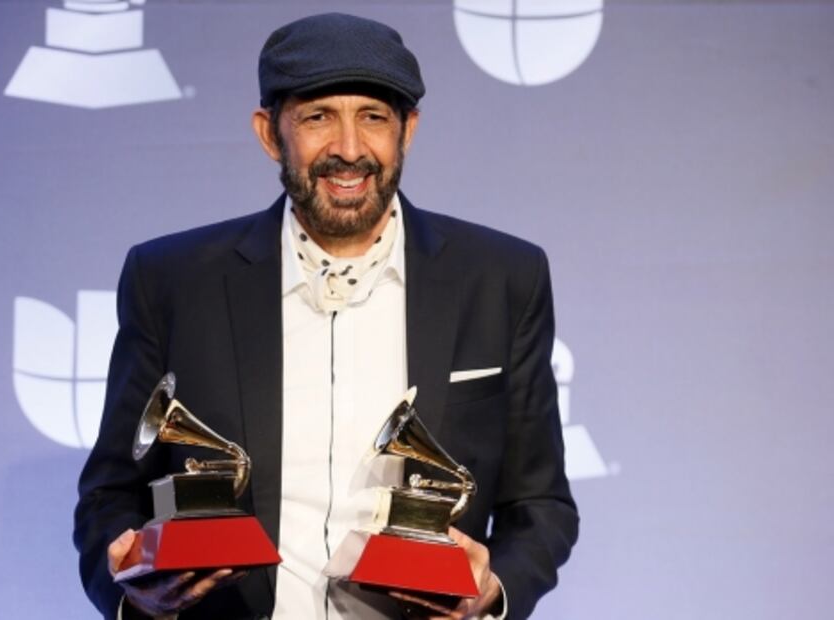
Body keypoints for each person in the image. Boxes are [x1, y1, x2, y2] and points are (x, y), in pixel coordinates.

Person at [74, 12, 578, 620]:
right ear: (270, 134)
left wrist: (493, 591)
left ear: (408, 130)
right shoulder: (171, 280)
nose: (349, 149)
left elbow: (541, 506)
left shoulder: (502, 279)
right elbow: (109, 495)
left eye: (373, 118)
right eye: (317, 117)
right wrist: (135, 593)